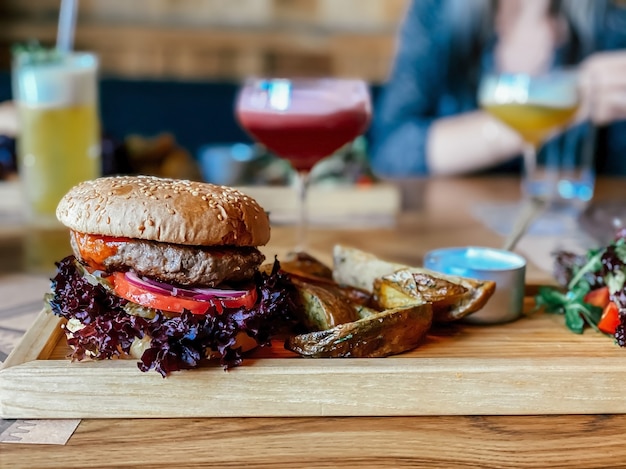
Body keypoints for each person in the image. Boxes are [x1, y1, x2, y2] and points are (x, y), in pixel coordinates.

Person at [370, 0, 626, 177]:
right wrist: (562, 102)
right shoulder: (437, 11)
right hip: (452, 236)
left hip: (566, 241)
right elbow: (391, 149)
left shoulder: (612, 28)